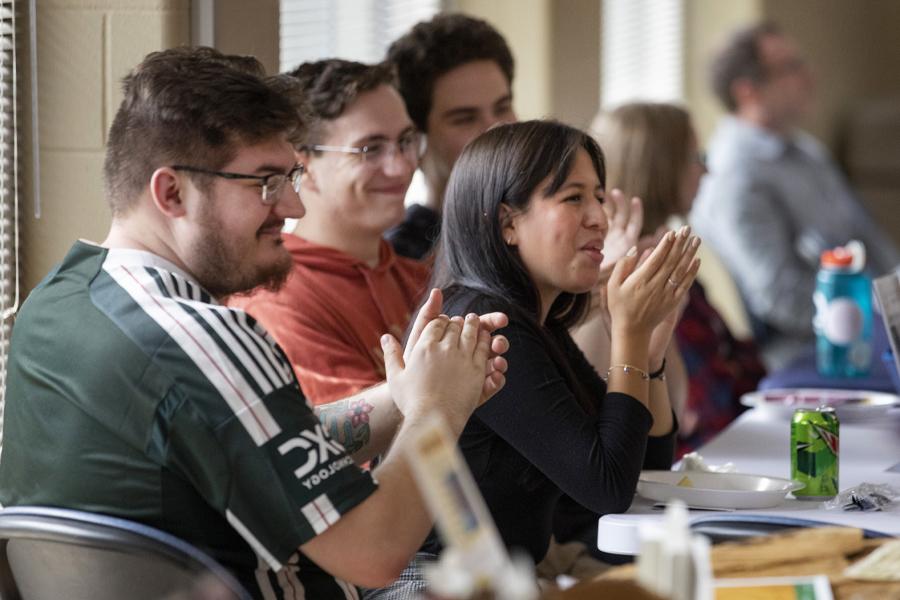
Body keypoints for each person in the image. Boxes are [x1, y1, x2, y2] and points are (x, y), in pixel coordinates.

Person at [0, 47, 510, 600]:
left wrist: (405, 397)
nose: (292, 205)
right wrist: (439, 410)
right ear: (172, 193)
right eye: (266, 182)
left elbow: (269, 440)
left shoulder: (58, 300)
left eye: (290, 175)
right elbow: (375, 551)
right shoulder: (201, 335)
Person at [366, 120, 701, 598]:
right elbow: (607, 489)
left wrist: (647, 351)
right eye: (573, 198)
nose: (599, 218)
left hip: (494, 580)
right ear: (507, 223)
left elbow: (646, 466)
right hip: (429, 584)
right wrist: (626, 332)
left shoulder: (536, 324)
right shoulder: (486, 327)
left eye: (599, 197)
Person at [691, 21, 900, 369]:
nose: (809, 75)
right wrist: (875, 319)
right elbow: (781, 298)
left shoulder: (805, 151)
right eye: (791, 68)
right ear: (747, 92)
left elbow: (866, 236)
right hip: (818, 349)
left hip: (878, 326)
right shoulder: (735, 176)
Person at [230, 60, 430, 405]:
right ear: (302, 167)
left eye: (406, 141)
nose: (400, 166)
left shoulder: (418, 276)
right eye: (370, 149)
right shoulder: (278, 301)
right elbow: (370, 447)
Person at [592, 102, 767, 455]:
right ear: (660, 167)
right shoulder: (629, 270)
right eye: (695, 156)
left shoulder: (666, 248)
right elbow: (688, 413)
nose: (706, 169)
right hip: (699, 455)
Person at [384, 12, 516, 259]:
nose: (496, 129)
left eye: (502, 107)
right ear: (415, 139)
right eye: (465, 119)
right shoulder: (401, 257)